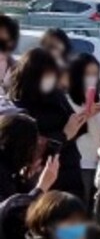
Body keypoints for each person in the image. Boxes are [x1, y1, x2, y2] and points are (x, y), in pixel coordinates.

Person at [10, 47, 85, 199]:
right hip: (41, 181)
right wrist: (64, 135)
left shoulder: (57, 97)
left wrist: (81, 119)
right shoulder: (20, 109)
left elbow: (74, 128)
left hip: (68, 171)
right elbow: (29, 150)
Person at [65, 53, 100, 204]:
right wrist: (87, 114)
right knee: (80, 205)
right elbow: (68, 134)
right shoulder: (67, 101)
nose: (91, 79)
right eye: (87, 74)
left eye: (95, 74)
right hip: (80, 163)